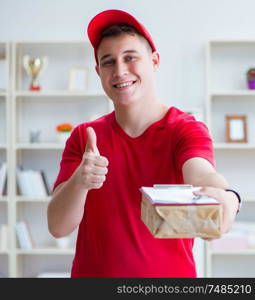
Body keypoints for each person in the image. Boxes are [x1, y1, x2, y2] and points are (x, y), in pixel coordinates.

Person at [47, 9, 241, 278]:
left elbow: (202, 173)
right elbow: (58, 226)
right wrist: (80, 181)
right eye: (108, 62)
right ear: (98, 71)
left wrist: (229, 198)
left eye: (130, 58)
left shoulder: (184, 129)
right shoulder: (84, 136)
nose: (120, 70)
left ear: (154, 61)